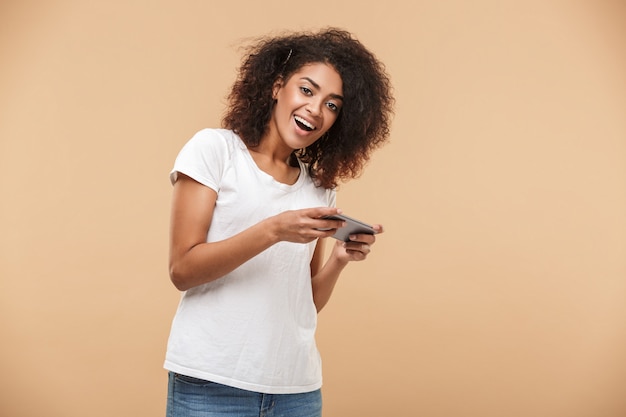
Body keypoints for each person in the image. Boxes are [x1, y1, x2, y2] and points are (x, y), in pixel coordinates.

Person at [164, 27, 394, 417]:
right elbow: (183, 270)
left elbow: (303, 302)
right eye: (307, 90)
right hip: (212, 384)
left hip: (296, 392)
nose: (316, 110)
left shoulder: (319, 189)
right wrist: (273, 230)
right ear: (276, 87)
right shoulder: (215, 150)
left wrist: (339, 259)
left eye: (332, 105)